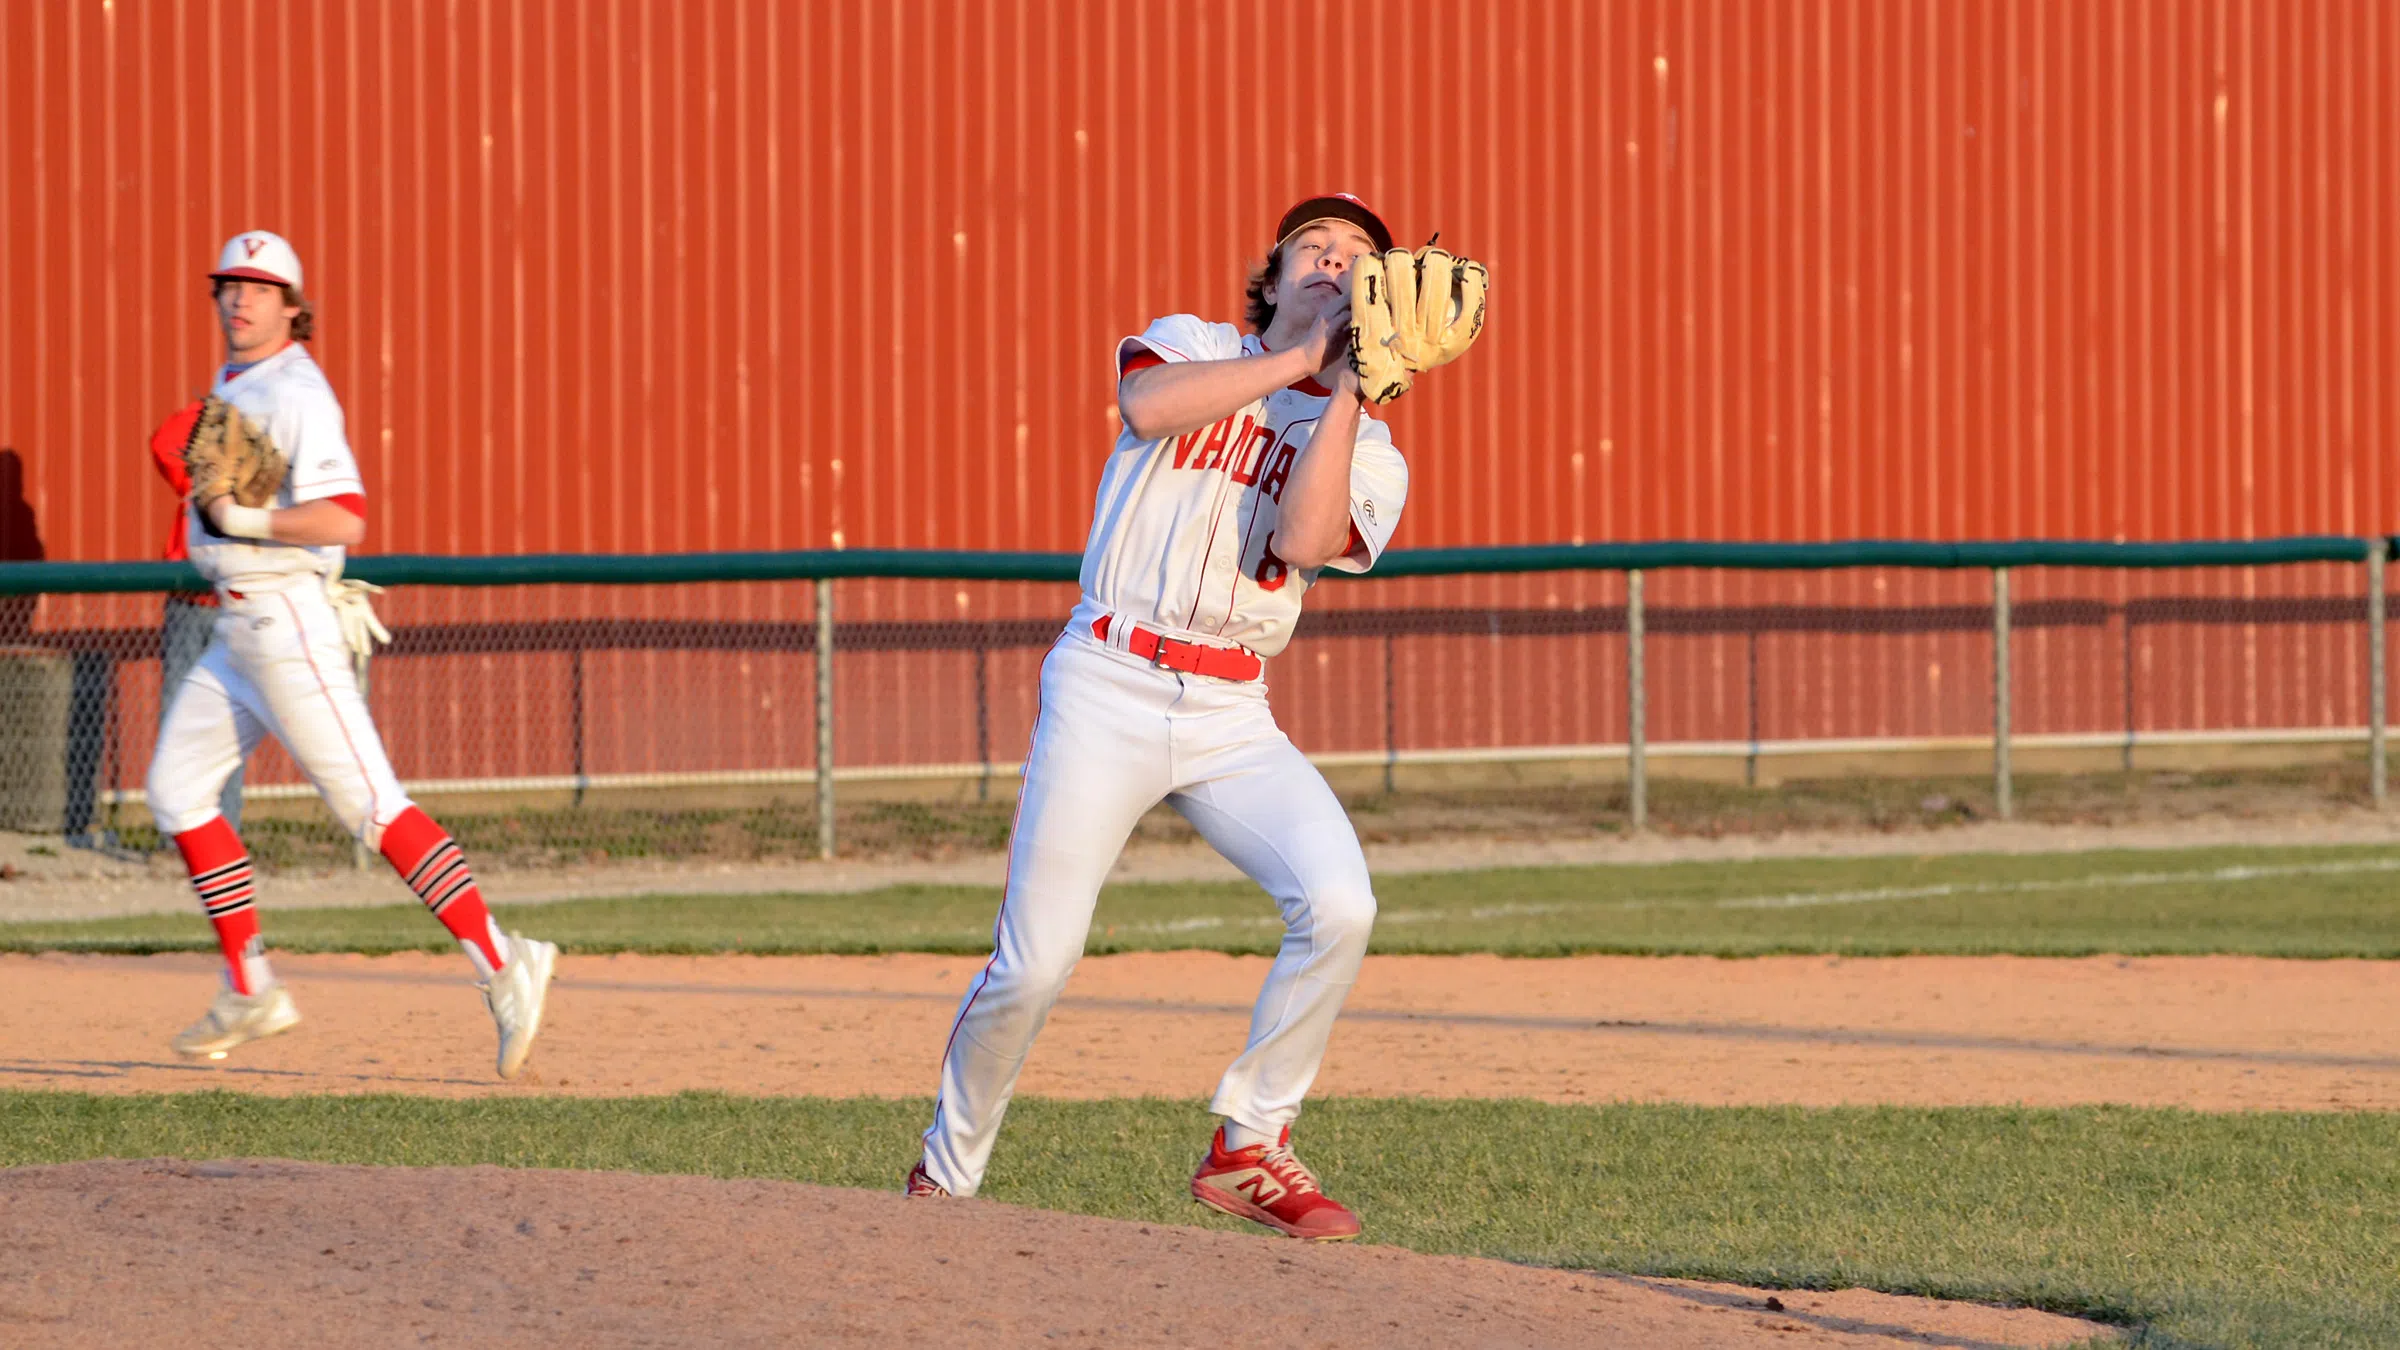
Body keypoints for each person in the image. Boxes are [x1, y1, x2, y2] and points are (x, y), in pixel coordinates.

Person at [909, 194, 1416, 1241]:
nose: (1333, 260)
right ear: (1271, 277)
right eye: (1313, 246)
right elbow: (1146, 409)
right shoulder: (1195, 342)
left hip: (1233, 707)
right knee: (1035, 963)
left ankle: (1250, 1145)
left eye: (1357, 255)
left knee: (1341, 903)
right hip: (1109, 677)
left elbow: (1305, 541)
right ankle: (945, 1179)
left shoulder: (1372, 449)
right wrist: (1303, 355)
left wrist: (1346, 389)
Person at [147, 230, 558, 1078]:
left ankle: (501, 958)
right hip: (236, 632)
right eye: (230, 284)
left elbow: (345, 516)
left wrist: (245, 519)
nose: (241, 298)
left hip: (287, 625)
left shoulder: (298, 390)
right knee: (177, 792)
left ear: (293, 308)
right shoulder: (238, 381)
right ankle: (252, 988)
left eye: (261, 288)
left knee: (373, 809)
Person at [149, 408, 245, 833]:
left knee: (231, 722)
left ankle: (225, 831)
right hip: (190, 600)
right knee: (180, 716)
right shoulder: (199, 475)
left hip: (236, 603)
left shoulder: (259, 472)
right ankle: (180, 835)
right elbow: (164, 443)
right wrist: (218, 406)